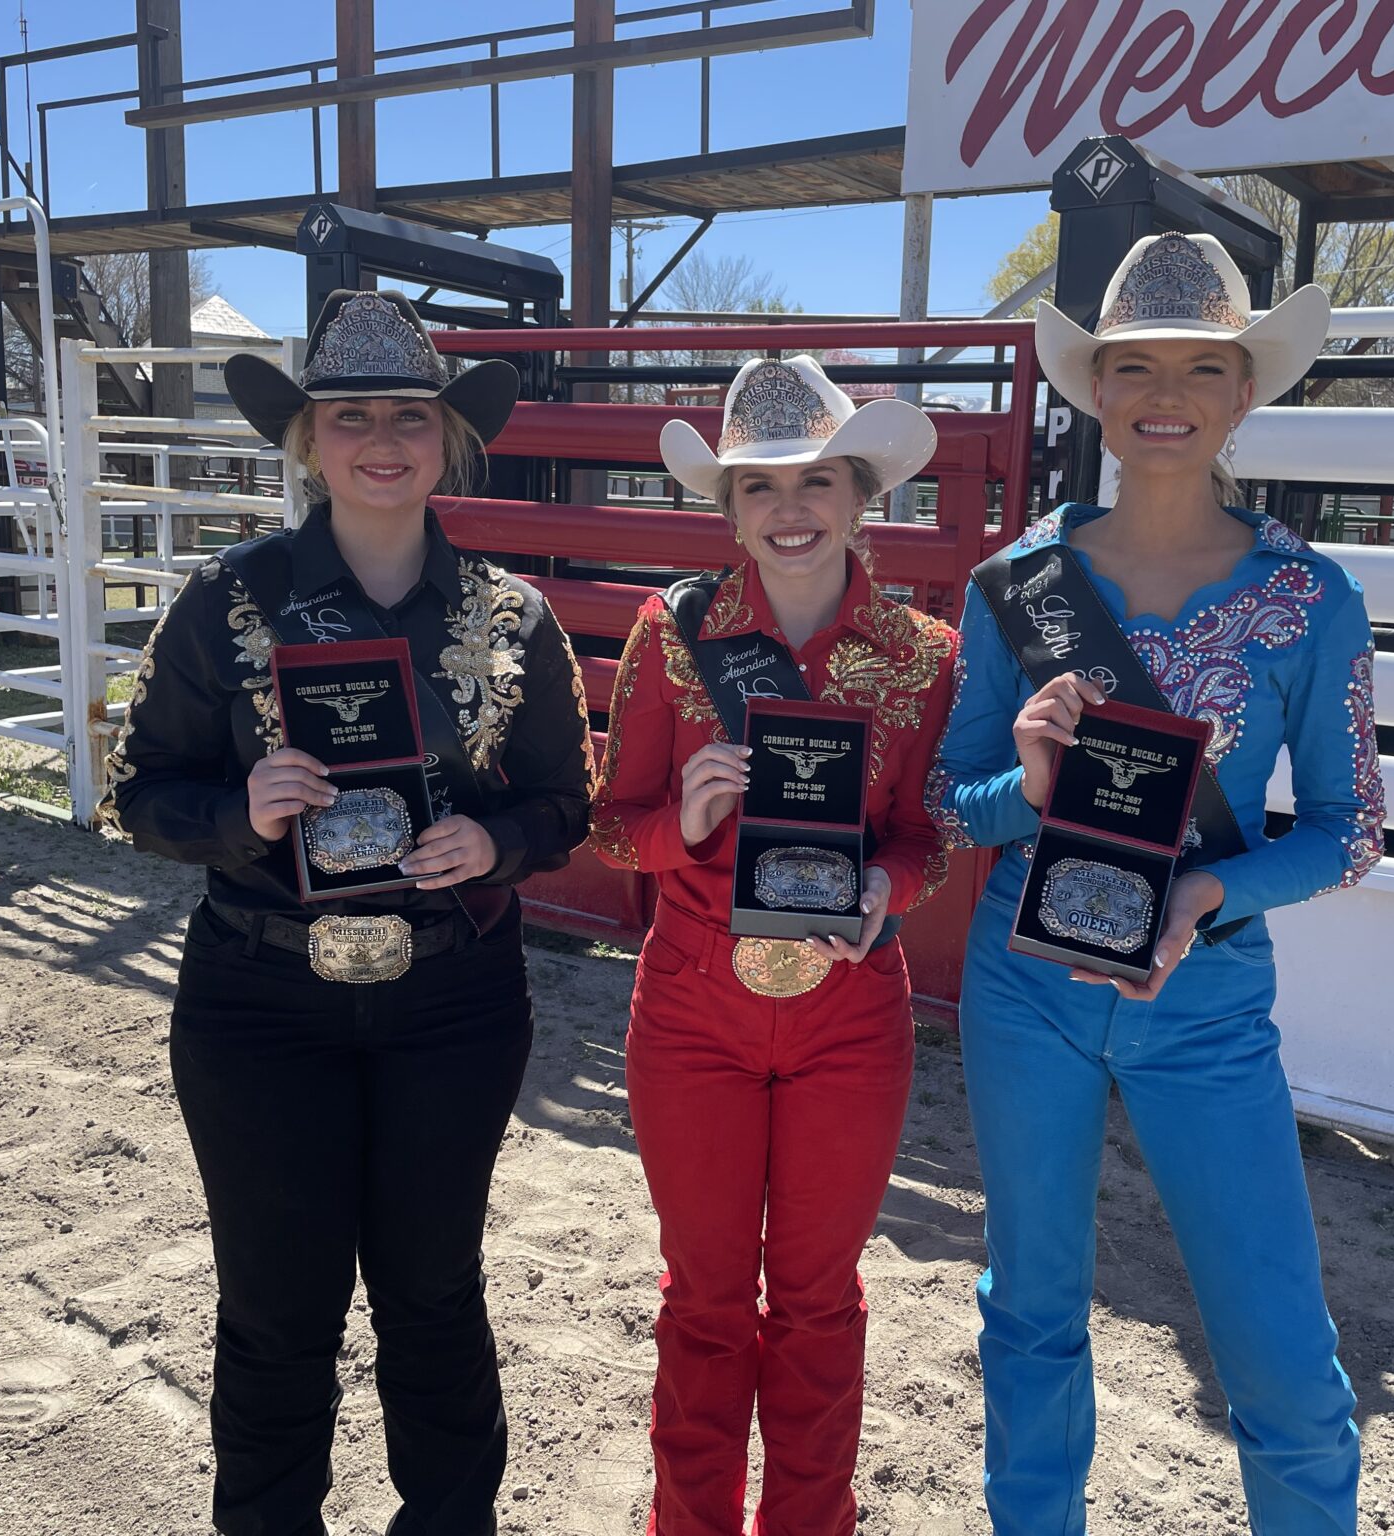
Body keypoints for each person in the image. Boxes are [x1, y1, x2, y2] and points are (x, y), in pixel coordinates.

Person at [100, 289, 594, 1536]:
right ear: (308, 439)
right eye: (351, 413)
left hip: (453, 999)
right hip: (262, 999)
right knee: (276, 1304)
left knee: (433, 1292)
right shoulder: (223, 601)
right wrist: (236, 814)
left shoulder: (512, 620)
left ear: (447, 439)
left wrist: (496, 840)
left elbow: (563, 800)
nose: (383, 437)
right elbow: (138, 790)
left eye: (410, 415)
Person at [929, 233, 1385, 1534]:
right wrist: (1025, 782)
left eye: (1202, 363)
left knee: (1280, 1349)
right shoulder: (1016, 586)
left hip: (1207, 1001)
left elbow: (1348, 832)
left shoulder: (1310, 599)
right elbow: (945, 807)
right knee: (1029, 1316)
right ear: (1098, 386)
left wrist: (1206, 896)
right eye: (1134, 362)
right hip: (1028, 989)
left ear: (1245, 390)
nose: (1164, 389)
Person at [588, 356, 959, 1535]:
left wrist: (886, 887)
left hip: (849, 1019)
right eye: (759, 488)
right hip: (693, 1008)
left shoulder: (922, 655)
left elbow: (926, 835)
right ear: (728, 508)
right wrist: (682, 820)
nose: (788, 511)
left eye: (815, 483)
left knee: (815, 1302)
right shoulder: (672, 633)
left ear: (861, 498)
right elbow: (610, 827)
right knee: (701, 1299)